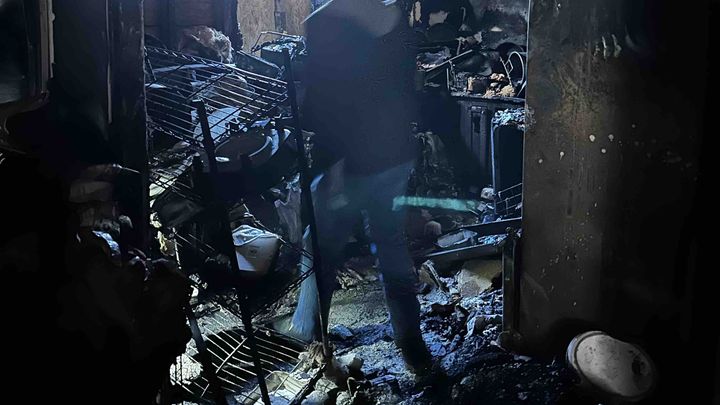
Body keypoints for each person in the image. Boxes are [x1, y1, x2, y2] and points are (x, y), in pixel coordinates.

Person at [292, 0, 434, 373]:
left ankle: (311, 340)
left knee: (321, 250)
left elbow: (322, 108)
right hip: (395, 157)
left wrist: (334, 168)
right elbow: (403, 93)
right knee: (391, 247)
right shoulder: (395, 18)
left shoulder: (322, 23)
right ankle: (412, 347)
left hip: (347, 166)